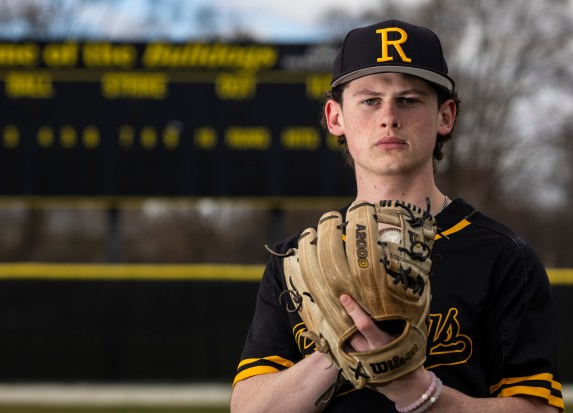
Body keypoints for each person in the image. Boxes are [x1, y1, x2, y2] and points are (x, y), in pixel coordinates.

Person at [230, 19, 564, 413]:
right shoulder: (297, 259)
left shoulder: (503, 256)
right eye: (370, 100)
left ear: (446, 116)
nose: (389, 116)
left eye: (409, 99)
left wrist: (418, 391)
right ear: (336, 116)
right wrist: (342, 344)